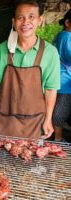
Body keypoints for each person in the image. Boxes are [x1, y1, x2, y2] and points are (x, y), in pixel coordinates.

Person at [0, 0, 60, 139]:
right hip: (2, 122)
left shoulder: (50, 52)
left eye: (31, 17)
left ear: (40, 20)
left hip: (33, 123)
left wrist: (48, 119)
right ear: (14, 21)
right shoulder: (2, 50)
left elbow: (50, 90)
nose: (25, 22)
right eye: (20, 17)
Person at [52, 9, 71, 142]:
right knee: (60, 110)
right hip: (64, 78)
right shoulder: (66, 36)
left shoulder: (61, 35)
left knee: (58, 107)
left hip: (59, 76)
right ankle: (58, 139)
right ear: (67, 22)